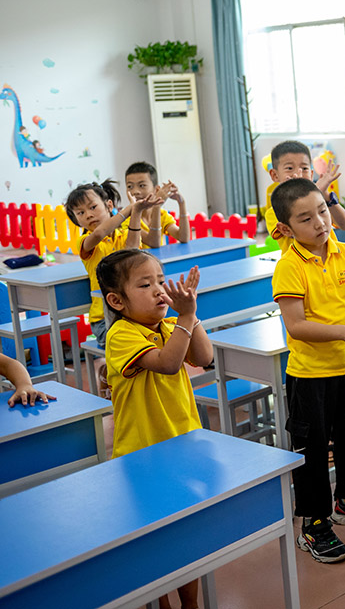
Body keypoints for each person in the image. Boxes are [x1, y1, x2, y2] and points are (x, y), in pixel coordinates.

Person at [271, 178, 345, 564]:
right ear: (288, 229)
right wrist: (344, 331)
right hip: (310, 376)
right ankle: (314, 523)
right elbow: (296, 326)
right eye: (306, 218)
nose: (320, 222)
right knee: (312, 450)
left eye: (322, 210)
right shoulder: (289, 266)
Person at [98, 249, 211, 608]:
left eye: (161, 280)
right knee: (156, 537)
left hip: (183, 445)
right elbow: (167, 363)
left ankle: (190, 603)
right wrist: (186, 317)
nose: (159, 289)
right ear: (117, 300)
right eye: (146, 284)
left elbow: (204, 358)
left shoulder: (168, 325)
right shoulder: (120, 335)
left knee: (186, 534)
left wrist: (190, 315)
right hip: (142, 454)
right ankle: (162, 602)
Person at [67, 180, 161, 348]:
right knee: (138, 345)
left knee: (157, 338)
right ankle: (112, 371)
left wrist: (137, 211)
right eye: (80, 212)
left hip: (131, 314)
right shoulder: (85, 241)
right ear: (76, 220)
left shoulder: (123, 235)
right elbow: (99, 233)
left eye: (93, 207)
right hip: (104, 320)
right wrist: (129, 209)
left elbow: (131, 249)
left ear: (109, 205)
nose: (88, 214)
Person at [264, 141, 345, 254]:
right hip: (300, 268)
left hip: (330, 264)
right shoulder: (273, 212)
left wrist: (325, 195)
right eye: (289, 168)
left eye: (304, 168)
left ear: (311, 174)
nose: (298, 173)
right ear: (275, 175)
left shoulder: (321, 202)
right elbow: (300, 234)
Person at [125, 161, 192, 245]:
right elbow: (153, 243)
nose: (135, 192)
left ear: (156, 190)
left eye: (142, 185)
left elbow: (183, 237)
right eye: (130, 186)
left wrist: (182, 203)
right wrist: (157, 206)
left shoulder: (162, 215)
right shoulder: (126, 219)